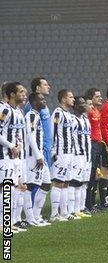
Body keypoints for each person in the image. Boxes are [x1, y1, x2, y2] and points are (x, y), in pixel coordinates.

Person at [0, 82, 28, 232]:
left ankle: (8, 222)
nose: (24, 94)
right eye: (21, 92)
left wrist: (19, 147)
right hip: (3, 156)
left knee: (12, 189)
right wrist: (11, 146)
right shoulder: (4, 110)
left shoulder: (17, 111)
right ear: (11, 94)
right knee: (6, 189)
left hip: (14, 157)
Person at [23, 92, 52, 226]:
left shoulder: (37, 115)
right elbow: (30, 136)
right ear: (34, 102)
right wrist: (38, 155)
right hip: (32, 157)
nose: (44, 101)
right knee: (29, 186)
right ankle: (30, 219)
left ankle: (36, 215)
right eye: (41, 99)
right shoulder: (31, 115)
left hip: (40, 156)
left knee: (46, 184)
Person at [50, 89, 77, 221]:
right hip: (60, 153)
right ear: (63, 99)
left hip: (69, 153)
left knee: (66, 183)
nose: (73, 99)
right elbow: (52, 132)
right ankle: (54, 214)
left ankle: (64, 212)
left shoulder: (70, 115)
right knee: (58, 182)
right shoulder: (57, 112)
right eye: (70, 97)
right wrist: (53, 151)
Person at [70, 96, 92, 219]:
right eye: (81, 103)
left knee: (84, 183)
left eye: (85, 103)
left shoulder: (85, 119)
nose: (84, 105)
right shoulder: (72, 120)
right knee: (75, 183)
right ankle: (72, 210)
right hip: (77, 156)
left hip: (87, 156)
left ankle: (80, 208)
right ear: (76, 106)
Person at [85, 88, 103, 211]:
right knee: (91, 174)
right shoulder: (89, 113)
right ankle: (88, 204)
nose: (100, 98)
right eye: (97, 96)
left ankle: (92, 202)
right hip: (92, 144)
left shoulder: (97, 111)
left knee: (96, 174)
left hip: (98, 144)